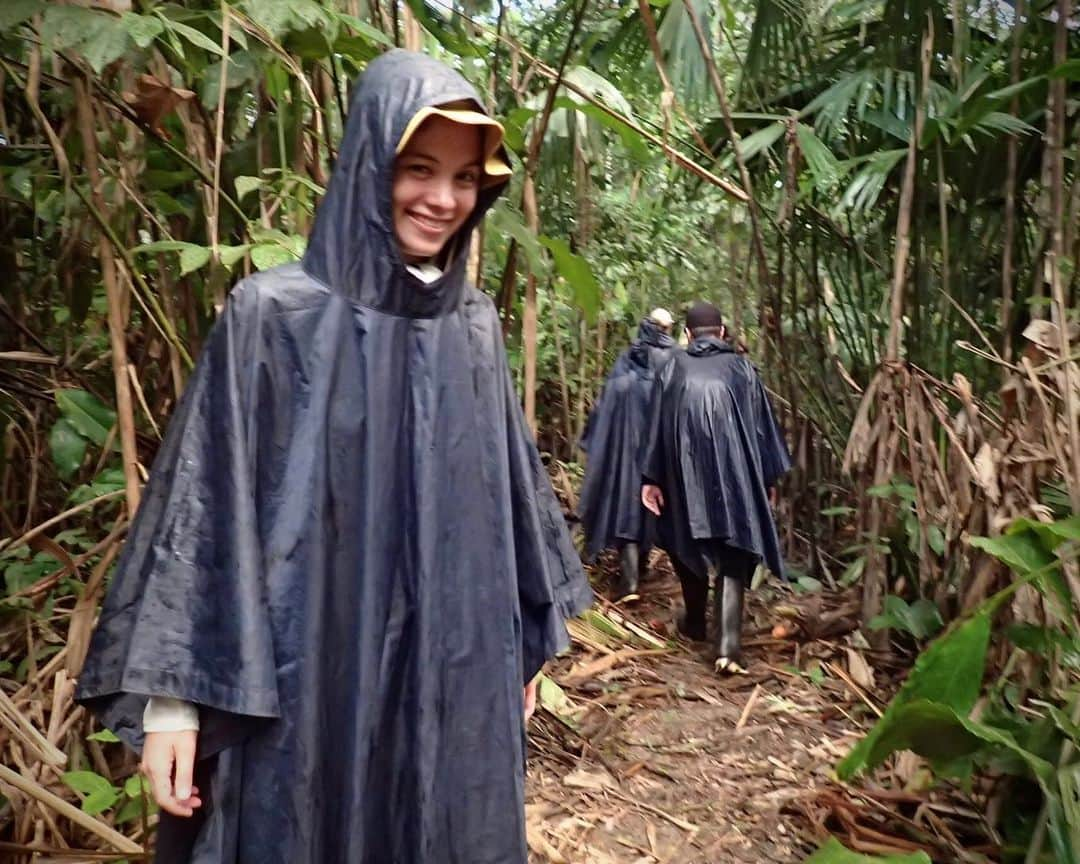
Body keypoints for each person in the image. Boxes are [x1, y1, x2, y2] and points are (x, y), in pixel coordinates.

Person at [75, 50, 593, 864]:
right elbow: (203, 519)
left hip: (446, 678)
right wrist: (173, 710)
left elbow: (503, 509)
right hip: (298, 681)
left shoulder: (474, 328)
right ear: (368, 165)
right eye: (418, 169)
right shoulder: (271, 315)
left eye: (465, 180)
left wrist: (517, 643)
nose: (443, 199)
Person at [640, 301, 790, 674]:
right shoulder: (742, 369)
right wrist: (767, 480)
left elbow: (655, 426)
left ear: (687, 335)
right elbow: (762, 430)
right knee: (733, 547)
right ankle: (727, 646)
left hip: (682, 476)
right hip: (735, 478)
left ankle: (694, 622)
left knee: (682, 539)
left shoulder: (670, 366)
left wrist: (651, 479)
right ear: (722, 332)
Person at [577, 308, 675, 601]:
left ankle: (632, 577)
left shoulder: (628, 360)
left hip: (625, 451)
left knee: (627, 506)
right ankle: (635, 575)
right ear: (668, 330)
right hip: (656, 452)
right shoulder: (674, 361)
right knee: (649, 509)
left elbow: (606, 403)